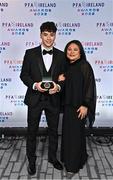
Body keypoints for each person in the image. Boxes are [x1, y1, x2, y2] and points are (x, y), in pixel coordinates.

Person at [20, 21, 66, 175]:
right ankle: (31, 160)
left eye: (52, 35)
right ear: (40, 35)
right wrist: (34, 85)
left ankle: (53, 158)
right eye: (45, 34)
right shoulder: (30, 53)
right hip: (35, 98)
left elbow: (65, 78)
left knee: (53, 131)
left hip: (53, 100)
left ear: (55, 36)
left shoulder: (61, 55)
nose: (48, 38)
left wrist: (58, 87)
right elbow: (24, 75)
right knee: (32, 131)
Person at [60, 40, 96, 177]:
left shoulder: (84, 66)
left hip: (79, 108)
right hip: (69, 107)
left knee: (75, 137)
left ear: (80, 52)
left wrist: (85, 105)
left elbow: (89, 85)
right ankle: (74, 158)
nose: (72, 52)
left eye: (75, 49)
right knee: (69, 135)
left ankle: (72, 167)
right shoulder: (66, 66)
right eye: (69, 49)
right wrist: (60, 80)